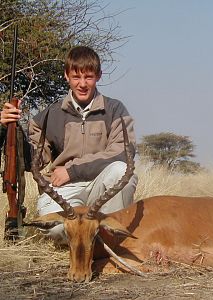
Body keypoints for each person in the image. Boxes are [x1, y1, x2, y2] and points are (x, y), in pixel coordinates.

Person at [0, 45, 138, 243]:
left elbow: (123, 153)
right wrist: (10, 126)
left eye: (88, 77)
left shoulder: (115, 109)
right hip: (63, 190)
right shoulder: (51, 114)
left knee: (121, 170)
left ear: (99, 75)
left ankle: (109, 241)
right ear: (66, 76)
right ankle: (90, 240)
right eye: (76, 77)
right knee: (55, 230)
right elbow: (33, 161)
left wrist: (72, 171)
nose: (82, 84)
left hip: (97, 186)